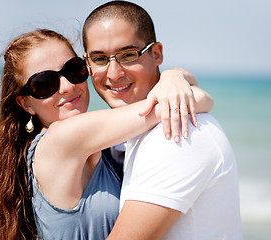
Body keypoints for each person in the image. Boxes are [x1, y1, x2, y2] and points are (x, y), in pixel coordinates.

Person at [0, 29, 212, 240]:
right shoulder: (62, 138)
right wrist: (174, 78)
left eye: (73, 70)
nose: (68, 86)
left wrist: (174, 77)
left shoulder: (98, 144)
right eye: (44, 83)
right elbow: (188, 101)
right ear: (26, 104)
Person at [82, 1, 243, 239]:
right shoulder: (128, 135)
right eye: (99, 59)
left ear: (156, 53)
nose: (113, 73)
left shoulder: (176, 133)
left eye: (128, 55)